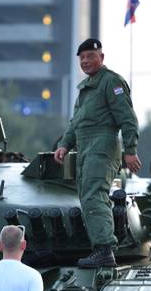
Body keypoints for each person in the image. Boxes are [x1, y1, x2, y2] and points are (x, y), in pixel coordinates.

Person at [53, 38, 141, 268]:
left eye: (90, 56)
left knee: (94, 195)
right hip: (85, 147)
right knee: (87, 196)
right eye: (82, 58)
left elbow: (127, 118)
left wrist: (130, 150)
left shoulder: (111, 82)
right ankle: (100, 248)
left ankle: (104, 250)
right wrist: (64, 144)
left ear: (101, 58)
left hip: (102, 147)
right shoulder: (86, 88)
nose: (85, 61)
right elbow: (76, 123)